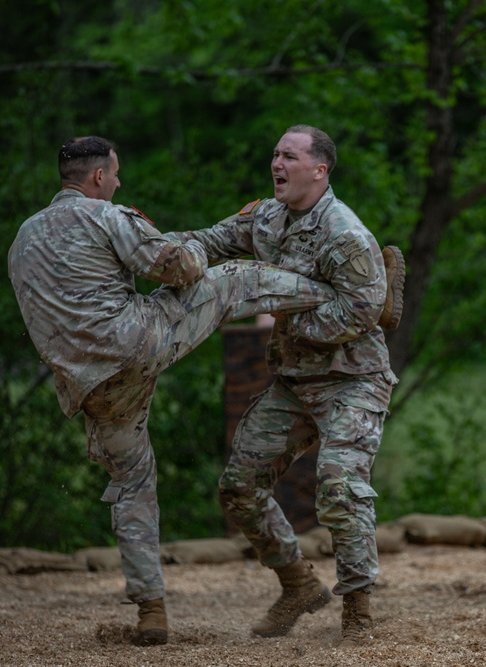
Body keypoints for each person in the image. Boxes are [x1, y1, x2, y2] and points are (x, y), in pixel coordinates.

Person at [7, 136, 340, 647]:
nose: (118, 183)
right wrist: (184, 245)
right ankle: (347, 295)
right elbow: (181, 270)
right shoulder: (108, 216)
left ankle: (152, 612)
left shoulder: (24, 238)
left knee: (133, 486)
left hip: (87, 386)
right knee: (231, 281)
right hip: (136, 344)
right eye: (115, 175)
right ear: (99, 178)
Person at [171, 124, 402, 647]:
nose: (277, 164)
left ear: (319, 169)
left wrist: (287, 316)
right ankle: (297, 584)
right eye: (275, 154)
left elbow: (364, 310)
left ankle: (358, 613)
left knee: (340, 490)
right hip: (295, 382)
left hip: (352, 380)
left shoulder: (344, 232)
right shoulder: (267, 217)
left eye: (290, 156)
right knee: (238, 488)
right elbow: (209, 241)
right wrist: (153, 251)